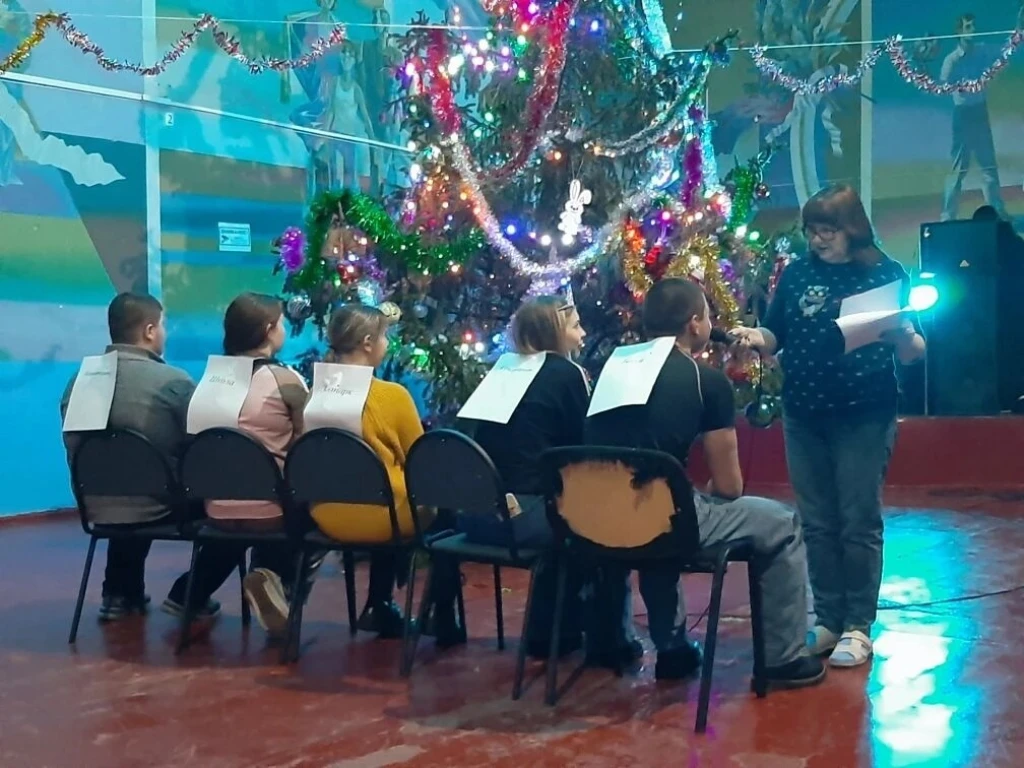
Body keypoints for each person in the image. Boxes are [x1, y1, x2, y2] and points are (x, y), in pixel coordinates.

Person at [588, 278, 825, 687]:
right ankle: (782, 659)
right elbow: (730, 488)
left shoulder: (610, 367)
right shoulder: (706, 381)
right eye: (709, 316)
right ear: (695, 323)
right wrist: (701, 497)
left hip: (597, 515)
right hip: (661, 516)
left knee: (656, 514)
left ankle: (657, 647)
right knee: (782, 523)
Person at [731, 184, 926, 669]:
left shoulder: (884, 273)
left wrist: (901, 334)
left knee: (857, 519)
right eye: (812, 231)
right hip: (803, 412)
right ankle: (829, 618)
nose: (817, 240)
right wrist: (756, 336)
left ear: (852, 229)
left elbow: (915, 351)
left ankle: (858, 624)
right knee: (816, 521)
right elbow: (776, 332)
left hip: (864, 413)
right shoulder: (798, 273)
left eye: (827, 231)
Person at [433, 296, 590, 655]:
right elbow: (582, 449)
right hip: (523, 523)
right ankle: (562, 636)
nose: (583, 334)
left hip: (473, 517)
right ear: (554, 332)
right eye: (576, 326)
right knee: (591, 525)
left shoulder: (500, 371)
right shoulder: (567, 374)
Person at [60, 293, 228, 622]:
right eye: (163, 325)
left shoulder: (78, 381)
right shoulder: (172, 381)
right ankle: (190, 593)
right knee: (236, 509)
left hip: (95, 504)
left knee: (128, 482)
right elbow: (203, 445)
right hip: (158, 504)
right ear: (150, 331)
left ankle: (119, 594)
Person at [204, 292, 314, 640]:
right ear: (269, 330)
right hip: (271, 511)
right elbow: (307, 445)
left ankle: (189, 593)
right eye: (281, 323)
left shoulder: (210, 380)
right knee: (315, 514)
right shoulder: (285, 380)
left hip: (215, 509)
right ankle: (281, 589)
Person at [310, 304, 424, 637]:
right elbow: (420, 460)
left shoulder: (313, 394)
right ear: (367, 343)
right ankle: (438, 614)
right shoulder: (393, 396)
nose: (388, 343)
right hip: (385, 516)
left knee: (383, 493)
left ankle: (381, 604)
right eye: (385, 336)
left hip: (325, 513)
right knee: (440, 509)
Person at [938, 12, 1021, 221]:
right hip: (963, 115)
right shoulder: (951, 60)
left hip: (979, 112)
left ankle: (998, 211)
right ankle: (948, 216)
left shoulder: (982, 50)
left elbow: (1006, 51)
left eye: (973, 26)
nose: (973, 30)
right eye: (968, 27)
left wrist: (1019, 26)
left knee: (988, 166)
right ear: (959, 31)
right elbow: (942, 86)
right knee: (958, 169)